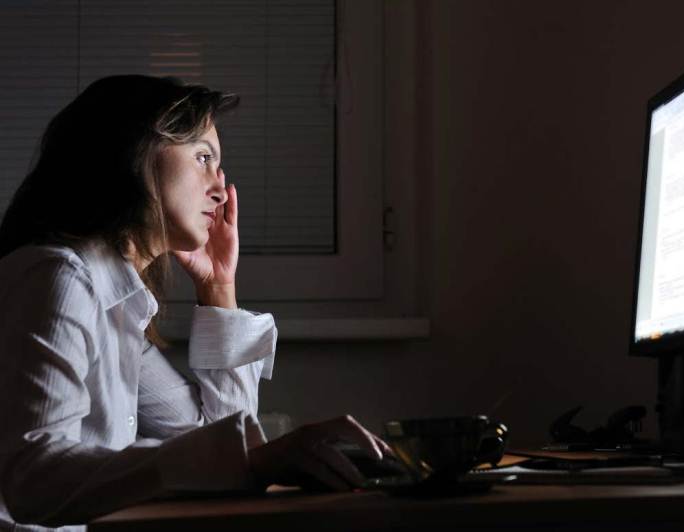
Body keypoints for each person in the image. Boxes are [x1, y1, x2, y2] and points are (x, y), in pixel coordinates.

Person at [0, 75, 391, 531]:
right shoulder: (60, 278)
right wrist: (256, 462)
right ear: (134, 153)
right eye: (203, 158)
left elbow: (212, 442)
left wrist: (219, 287)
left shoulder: (116, 302)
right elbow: (32, 482)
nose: (221, 190)